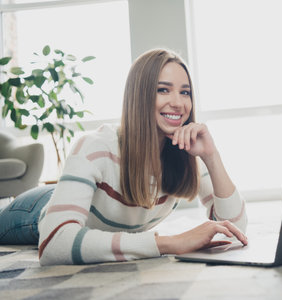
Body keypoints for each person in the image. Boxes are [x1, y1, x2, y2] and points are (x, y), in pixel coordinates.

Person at [0, 48, 248, 265]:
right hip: (33, 212)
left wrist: (211, 156)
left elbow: (235, 231)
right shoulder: (95, 147)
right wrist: (168, 243)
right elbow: (55, 244)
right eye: (163, 90)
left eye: (185, 93)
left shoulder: (185, 151)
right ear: (139, 96)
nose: (178, 103)